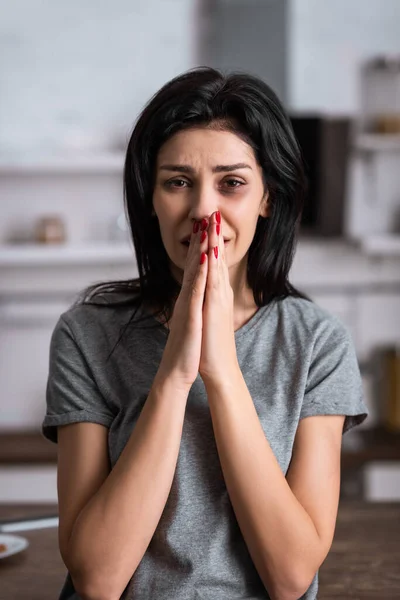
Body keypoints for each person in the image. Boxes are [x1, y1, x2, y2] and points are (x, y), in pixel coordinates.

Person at [41, 66, 369, 600]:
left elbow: (290, 577)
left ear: (268, 197)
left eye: (231, 183)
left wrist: (220, 370)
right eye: (178, 182)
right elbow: (97, 579)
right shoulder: (87, 333)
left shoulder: (317, 343)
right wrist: (174, 373)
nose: (203, 212)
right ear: (150, 198)